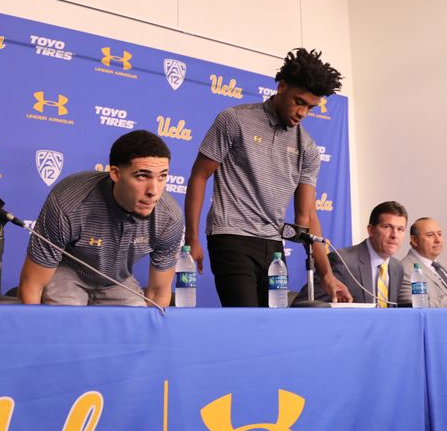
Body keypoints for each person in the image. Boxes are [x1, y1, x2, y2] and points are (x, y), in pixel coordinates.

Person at [184, 48, 352, 307]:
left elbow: (306, 217)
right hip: (230, 237)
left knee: (272, 328)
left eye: (311, 107)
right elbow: (199, 176)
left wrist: (327, 275)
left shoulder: (307, 148)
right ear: (282, 87)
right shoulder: (234, 120)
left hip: (274, 246)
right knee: (247, 323)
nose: (303, 113)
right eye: (299, 101)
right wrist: (192, 237)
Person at [18, 130, 183, 307]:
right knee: (66, 314)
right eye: (142, 176)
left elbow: (158, 293)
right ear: (115, 174)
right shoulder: (69, 202)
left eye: (162, 176)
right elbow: (32, 285)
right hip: (68, 272)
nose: (153, 191)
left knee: (136, 318)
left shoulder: (169, 217)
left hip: (117, 279)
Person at [296, 201, 408, 306]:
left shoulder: (397, 267)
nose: (394, 235)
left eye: (400, 229)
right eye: (387, 227)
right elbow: (304, 304)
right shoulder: (342, 261)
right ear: (371, 230)